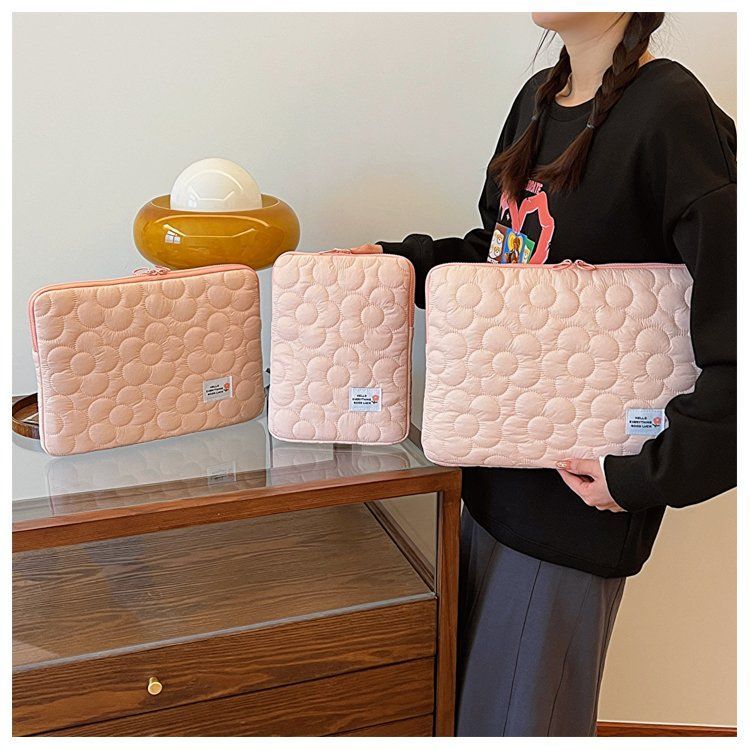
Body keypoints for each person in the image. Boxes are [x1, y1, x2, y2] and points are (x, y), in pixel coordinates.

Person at [344, 11, 736, 736]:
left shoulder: (673, 113)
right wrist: (402, 264)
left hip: (575, 508)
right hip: (488, 483)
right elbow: (504, 263)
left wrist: (645, 475)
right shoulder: (537, 100)